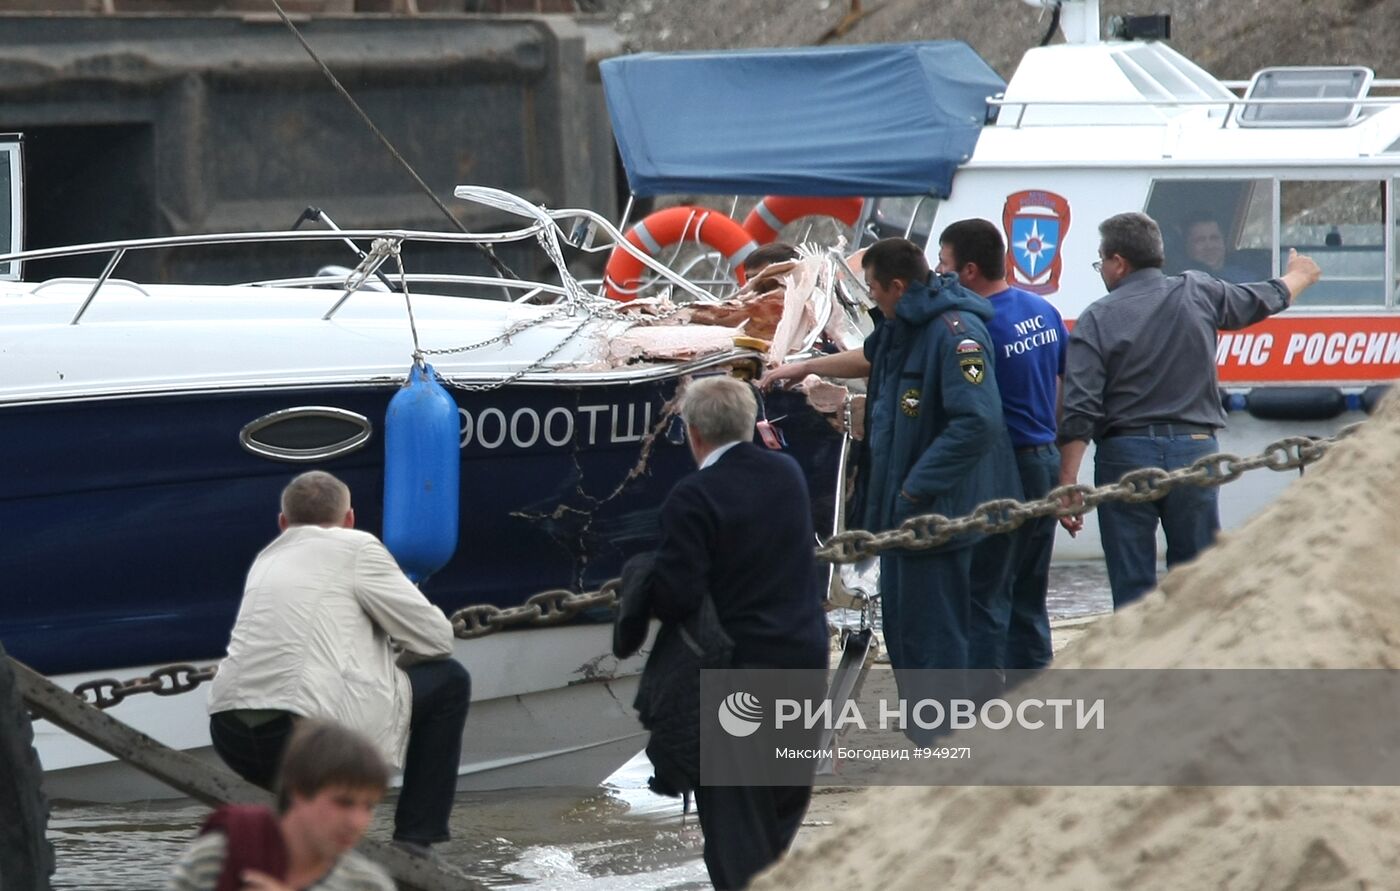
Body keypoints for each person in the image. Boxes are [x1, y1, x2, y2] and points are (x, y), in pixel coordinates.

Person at [759, 238, 1018, 695]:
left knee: (934, 635)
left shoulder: (955, 335)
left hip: (938, 513)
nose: (871, 297)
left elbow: (977, 420)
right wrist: (800, 369)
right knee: (906, 627)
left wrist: (917, 486)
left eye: (874, 289)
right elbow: (872, 354)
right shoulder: (904, 327)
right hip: (905, 513)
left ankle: (945, 741)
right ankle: (933, 735)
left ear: (897, 286)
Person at [1058, 212, 1322, 608]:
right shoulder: (1196, 291)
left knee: (1133, 587)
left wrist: (1067, 482)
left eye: (1101, 261)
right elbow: (1260, 299)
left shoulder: (1097, 318)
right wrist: (1300, 275)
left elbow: (1080, 409)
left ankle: (1136, 662)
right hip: (1195, 449)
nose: (1101, 270)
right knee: (1197, 580)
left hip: (1125, 455)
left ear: (1118, 262)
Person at [206, 471, 470, 854]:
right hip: (301, 736)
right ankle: (415, 841)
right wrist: (396, 668)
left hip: (230, 736)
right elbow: (437, 639)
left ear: (283, 523)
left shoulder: (268, 556)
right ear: (349, 519)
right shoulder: (357, 546)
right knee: (450, 681)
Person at [648, 375, 828, 890]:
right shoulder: (787, 474)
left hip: (738, 678)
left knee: (734, 824)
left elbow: (677, 596)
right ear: (750, 426)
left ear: (693, 434)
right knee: (779, 808)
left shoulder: (694, 495)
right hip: (802, 662)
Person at [936, 219, 1066, 677]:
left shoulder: (977, 326)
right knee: (1030, 590)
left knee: (986, 591)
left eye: (944, 263)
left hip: (1006, 468)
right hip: (1045, 457)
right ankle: (1036, 688)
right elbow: (1061, 384)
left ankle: (985, 706)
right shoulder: (1042, 311)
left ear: (969, 270)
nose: (938, 271)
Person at [169, 719, 394, 891]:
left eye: (369, 807)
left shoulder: (368, 884)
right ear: (299, 790)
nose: (356, 822)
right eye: (343, 803)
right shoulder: (217, 857)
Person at [1181, 215, 1256, 282]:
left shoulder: (1248, 281)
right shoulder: (1180, 284)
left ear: (1224, 241)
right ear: (1186, 246)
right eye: (1200, 240)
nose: (1209, 246)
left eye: (1214, 238)